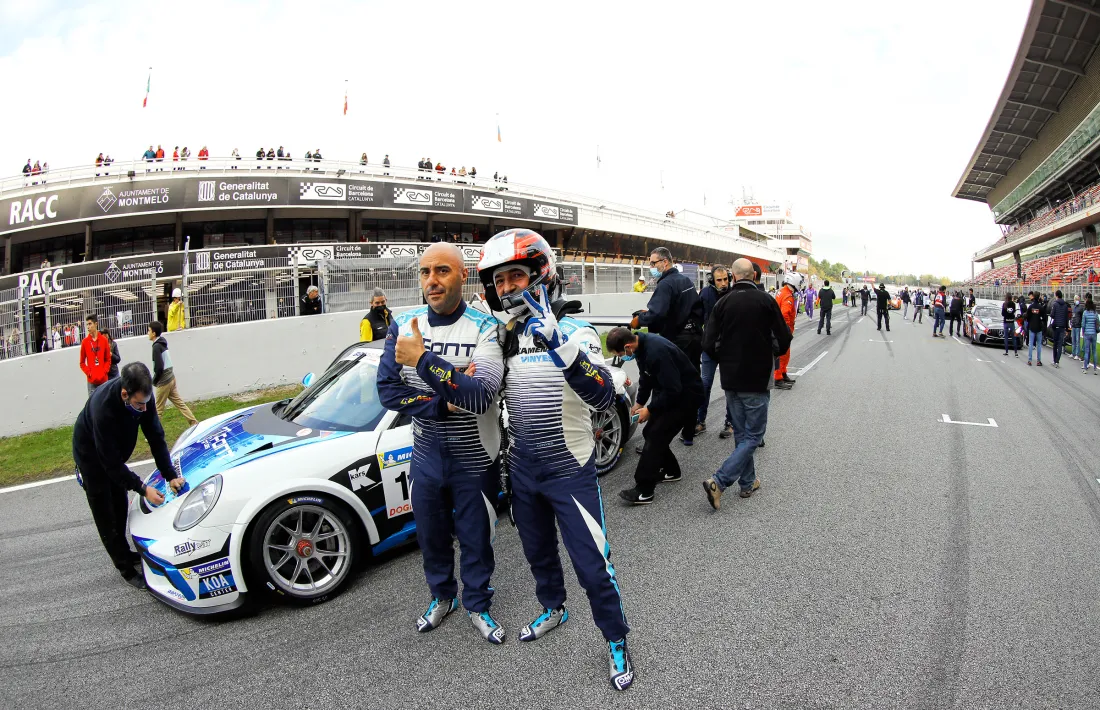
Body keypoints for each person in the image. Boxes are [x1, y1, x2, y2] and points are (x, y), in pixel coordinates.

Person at [476, 229, 634, 691]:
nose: (505, 288)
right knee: (538, 553)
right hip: (524, 468)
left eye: (514, 277)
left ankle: (616, 639)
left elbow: (603, 395)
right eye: (498, 280)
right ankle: (554, 607)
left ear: (542, 274)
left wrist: (559, 345)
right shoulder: (502, 336)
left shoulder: (576, 329)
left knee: (592, 566)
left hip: (570, 470)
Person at [376, 243, 505, 643]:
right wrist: (444, 400)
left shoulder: (487, 327)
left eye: (443, 271)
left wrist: (423, 362)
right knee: (430, 534)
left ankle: (478, 603)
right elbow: (387, 391)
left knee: (476, 536)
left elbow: (481, 395)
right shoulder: (403, 323)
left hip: (475, 455)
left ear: (463, 275)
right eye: (425, 272)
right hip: (427, 453)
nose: (432, 280)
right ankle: (441, 596)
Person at [72, 362, 184, 588]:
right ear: (125, 394)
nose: (144, 409)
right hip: (91, 457)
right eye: (138, 405)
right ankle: (124, 567)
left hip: (114, 453)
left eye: (146, 403)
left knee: (120, 504)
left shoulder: (144, 397)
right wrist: (143, 489)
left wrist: (170, 474)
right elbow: (109, 463)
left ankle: (125, 551)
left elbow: (156, 437)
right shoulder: (102, 408)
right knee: (106, 512)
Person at [702, 258, 792, 508]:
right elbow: (784, 337)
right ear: (754, 275)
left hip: (731, 377)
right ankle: (719, 482)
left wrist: (726, 356)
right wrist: (771, 350)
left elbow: (708, 343)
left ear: (732, 276)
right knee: (754, 435)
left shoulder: (722, 303)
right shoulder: (766, 301)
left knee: (742, 433)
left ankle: (747, 482)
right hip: (757, 377)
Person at [608, 327, 702, 505]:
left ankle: (644, 490)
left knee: (656, 435)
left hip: (687, 396)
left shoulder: (656, 352)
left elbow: (674, 390)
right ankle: (672, 471)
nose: (621, 358)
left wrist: (650, 409)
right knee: (650, 432)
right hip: (672, 392)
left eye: (620, 354)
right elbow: (646, 378)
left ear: (628, 346)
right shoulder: (641, 347)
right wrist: (639, 403)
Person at [631, 247, 703, 443]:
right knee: (690, 385)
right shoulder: (685, 281)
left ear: (665, 262)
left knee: (665, 387)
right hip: (695, 337)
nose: (652, 267)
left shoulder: (666, 284)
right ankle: (688, 433)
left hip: (678, 340)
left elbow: (656, 314)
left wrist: (639, 319)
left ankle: (655, 438)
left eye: (653, 263)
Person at [697, 267, 733, 437]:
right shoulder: (705, 294)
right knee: (704, 384)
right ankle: (699, 421)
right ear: (712, 280)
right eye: (719, 280)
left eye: (726, 279)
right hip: (709, 348)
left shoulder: (734, 293)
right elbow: (697, 319)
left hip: (729, 348)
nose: (723, 283)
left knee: (730, 387)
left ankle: (730, 422)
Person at [149, 321, 198, 426]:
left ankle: (154, 434)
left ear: (153, 333)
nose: (147, 333)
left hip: (164, 381)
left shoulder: (156, 347)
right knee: (180, 403)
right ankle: (194, 423)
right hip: (171, 378)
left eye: (149, 330)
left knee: (158, 410)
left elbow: (159, 367)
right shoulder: (162, 343)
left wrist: (154, 381)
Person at [774, 271, 801, 390]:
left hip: (779, 328)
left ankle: (783, 373)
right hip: (783, 330)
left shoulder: (781, 291)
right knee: (783, 354)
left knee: (785, 354)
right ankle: (778, 378)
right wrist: (786, 331)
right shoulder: (788, 296)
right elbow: (785, 315)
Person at [80, 314, 111, 397]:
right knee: (93, 406)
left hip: (103, 380)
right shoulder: (85, 342)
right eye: (87, 324)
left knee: (105, 403)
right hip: (91, 381)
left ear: (96, 324)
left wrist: (104, 372)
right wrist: (89, 373)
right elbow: (82, 363)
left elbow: (108, 359)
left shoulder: (104, 340)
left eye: (90, 324)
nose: (88, 327)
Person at [1049, 289, 1070, 368]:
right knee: (1060, 344)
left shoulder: (1055, 304)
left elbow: (1052, 315)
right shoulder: (1065, 305)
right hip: (1062, 326)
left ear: (1056, 296)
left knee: (1055, 343)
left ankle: (1055, 360)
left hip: (1056, 325)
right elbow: (1066, 317)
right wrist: (1067, 328)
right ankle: (1057, 361)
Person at [1026, 291, 1047, 366]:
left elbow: (1027, 317)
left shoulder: (1031, 307)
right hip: (1039, 327)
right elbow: (1044, 318)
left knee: (1031, 344)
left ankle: (1029, 360)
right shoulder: (1040, 307)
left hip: (1032, 326)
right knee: (1039, 345)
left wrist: (1030, 321)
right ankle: (1038, 360)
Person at [1081, 295, 1097, 374]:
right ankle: (1095, 369)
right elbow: (1097, 323)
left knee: (1087, 351)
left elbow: (1083, 324)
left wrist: (1083, 332)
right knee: (1094, 351)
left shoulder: (1085, 313)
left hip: (1087, 333)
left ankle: (1085, 368)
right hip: (1094, 333)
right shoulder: (1095, 313)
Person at [1002, 292, 1019, 357]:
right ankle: (1016, 353)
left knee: (1006, 337)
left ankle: (1006, 351)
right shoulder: (1013, 304)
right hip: (1012, 322)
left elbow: (1002, 314)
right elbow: (1014, 311)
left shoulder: (1004, 304)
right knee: (1013, 338)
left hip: (1006, 322)